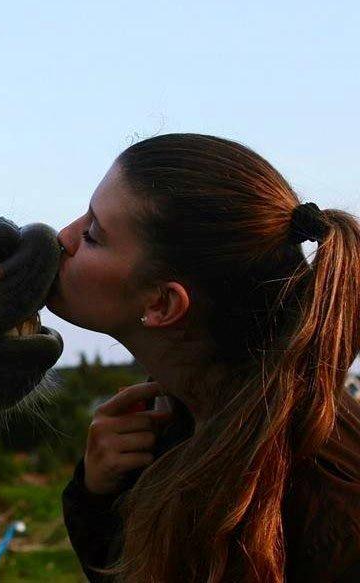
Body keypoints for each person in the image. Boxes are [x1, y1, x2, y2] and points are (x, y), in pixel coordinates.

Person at [47, 134, 360, 582]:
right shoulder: (184, 430)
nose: (63, 236)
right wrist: (99, 498)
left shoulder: (333, 515)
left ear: (162, 306)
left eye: (94, 235)